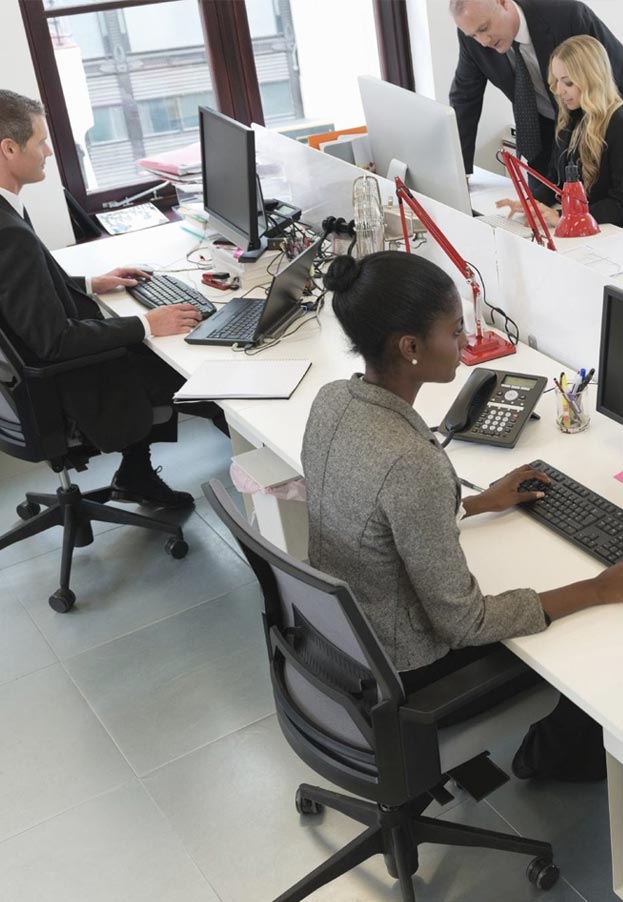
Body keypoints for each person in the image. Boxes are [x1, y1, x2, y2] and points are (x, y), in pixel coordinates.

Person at [302, 250, 623, 780]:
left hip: (347, 645)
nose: (466, 343)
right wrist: (598, 589)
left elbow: (381, 514)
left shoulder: (334, 400)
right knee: (587, 656)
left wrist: (478, 501)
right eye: (455, 332)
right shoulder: (413, 463)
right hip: (411, 674)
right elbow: (466, 623)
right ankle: (546, 758)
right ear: (409, 347)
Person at [0, 90, 204, 509]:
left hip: (32, 381)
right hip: (70, 383)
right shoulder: (9, 233)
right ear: (9, 148)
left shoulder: (6, 214)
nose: (49, 151)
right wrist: (149, 324)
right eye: (40, 141)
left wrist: (92, 283)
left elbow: (19, 295)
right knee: (200, 373)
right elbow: (55, 342)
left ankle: (136, 474)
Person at [448, 0, 623, 184]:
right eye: (474, 34)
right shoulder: (472, 40)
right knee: (538, 207)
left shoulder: (568, 15)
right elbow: (465, 99)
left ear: (503, 3)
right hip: (540, 137)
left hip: (596, 134)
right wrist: (460, 173)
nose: (483, 41)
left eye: (484, 28)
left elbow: (618, 72)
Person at [496, 36, 623, 228]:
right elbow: (555, 180)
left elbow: (618, 204)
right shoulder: (572, 117)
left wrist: (563, 215)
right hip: (586, 230)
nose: (558, 90)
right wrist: (531, 203)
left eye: (568, 83)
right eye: (556, 81)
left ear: (592, 79)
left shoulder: (618, 122)